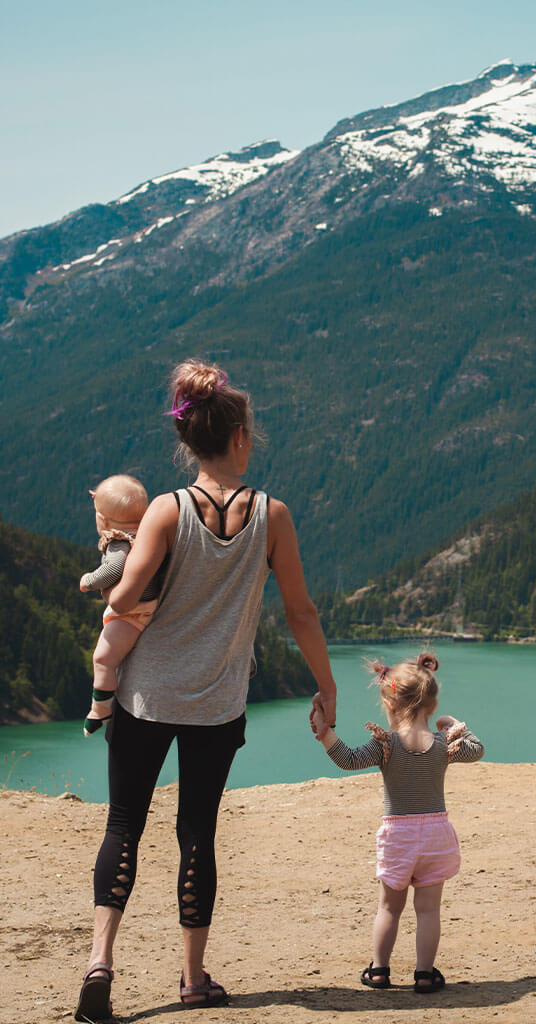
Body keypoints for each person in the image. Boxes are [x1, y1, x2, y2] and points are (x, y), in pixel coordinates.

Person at [74, 359, 338, 1023]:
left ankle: (100, 963)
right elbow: (301, 612)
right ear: (242, 437)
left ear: (189, 441)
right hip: (217, 705)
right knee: (198, 833)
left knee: (123, 824)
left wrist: (114, 587)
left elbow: (128, 593)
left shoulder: (165, 510)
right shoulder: (272, 516)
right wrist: (327, 684)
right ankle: (193, 980)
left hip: (145, 698)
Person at [311, 652, 483, 994]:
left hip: (399, 838)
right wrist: (455, 725)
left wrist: (325, 733)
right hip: (436, 836)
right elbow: (477, 749)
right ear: (431, 707)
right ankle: (424, 974)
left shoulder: (386, 745)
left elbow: (348, 759)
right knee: (429, 910)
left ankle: (379, 971)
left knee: (389, 907)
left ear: (389, 704)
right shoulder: (443, 744)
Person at [79, 475, 162, 736]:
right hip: (153, 605)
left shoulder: (119, 541)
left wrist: (88, 580)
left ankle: (100, 709)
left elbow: (113, 570)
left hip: (133, 613)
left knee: (103, 658)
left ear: (101, 519)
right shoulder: (150, 534)